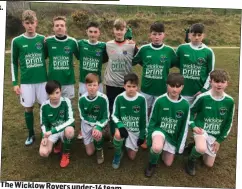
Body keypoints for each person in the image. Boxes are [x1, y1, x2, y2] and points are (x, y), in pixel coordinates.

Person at [132, 21, 177, 149]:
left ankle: (155, 137)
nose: (157, 37)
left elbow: (173, 63)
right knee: (144, 113)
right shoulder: (144, 49)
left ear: (164, 35)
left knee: (157, 115)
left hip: (162, 90)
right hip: (146, 89)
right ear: (150, 35)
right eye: (154, 34)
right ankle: (143, 136)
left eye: (159, 34)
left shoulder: (169, 51)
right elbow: (136, 60)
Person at [185, 69, 235, 176]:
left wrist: (219, 140)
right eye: (216, 81)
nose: (219, 84)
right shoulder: (203, 97)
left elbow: (229, 122)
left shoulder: (229, 101)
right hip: (201, 130)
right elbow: (190, 111)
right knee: (201, 148)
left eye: (222, 82)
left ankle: (194, 146)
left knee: (209, 164)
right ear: (211, 82)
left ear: (227, 83)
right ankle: (191, 160)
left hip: (215, 135)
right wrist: (193, 125)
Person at [11, 10, 48, 146]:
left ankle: (45, 132)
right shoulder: (17, 41)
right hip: (26, 82)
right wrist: (15, 82)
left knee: (43, 107)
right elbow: (13, 62)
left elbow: (45, 56)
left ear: (36, 23)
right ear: (23, 24)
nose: (30, 26)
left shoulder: (42, 39)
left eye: (32, 23)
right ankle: (31, 134)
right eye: (27, 23)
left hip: (42, 81)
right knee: (28, 108)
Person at [144, 73, 190, 177]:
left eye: (178, 86)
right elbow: (152, 120)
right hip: (159, 130)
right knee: (156, 147)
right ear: (167, 85)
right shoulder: (160, 100)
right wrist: (149, 138)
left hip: (172, 135)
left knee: (168, 163)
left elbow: (184, 128)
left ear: (182, 87)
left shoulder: (185, 105)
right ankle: (152, 163)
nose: (174, 89)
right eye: (172, 86)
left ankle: (161, 149)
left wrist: (180, 146)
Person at [103, 18, 138, 143]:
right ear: (113, 30)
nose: (119, 32)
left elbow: (139, 58)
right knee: (112, 109)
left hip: (126, 84)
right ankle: (113, 134)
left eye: (121, 29)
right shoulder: (107, 45)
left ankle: (125, 132)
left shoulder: (132, 45)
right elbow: (102, 59)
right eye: (117, 29)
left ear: (125, 30)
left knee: (124, 109)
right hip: (111, 83)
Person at [77, 21, 108, 140]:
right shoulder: (80, 44)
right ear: (86, 32)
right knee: (83, 105)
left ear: (99, 33)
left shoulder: (103, 46)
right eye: (90, 32)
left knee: (99, 105)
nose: (93, 34)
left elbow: (107, 56)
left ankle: (100, 127)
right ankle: (82, 128)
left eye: (95, 32)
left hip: (97, 83)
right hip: (83, 82)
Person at [111, 73, 147, 169]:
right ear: (124, 86)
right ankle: (118, 154)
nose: (131, 89)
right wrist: (120, 126)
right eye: (128, 86)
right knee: (118, 135)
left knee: (132, 157)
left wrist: (143, 135)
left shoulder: (141, 99)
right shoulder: (119, 98)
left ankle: (124, 144)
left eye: (134, 86)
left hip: (135, 130)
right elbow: (114, 115)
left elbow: (144, 118)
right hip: (123, 127)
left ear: (137, 87)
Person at [176, 23, 215, 105]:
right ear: (189, 35)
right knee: (184, 114)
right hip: (184, 91)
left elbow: (211, 73)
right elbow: (175, 63)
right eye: (194, 35)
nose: (196, 37)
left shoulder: (208, 51)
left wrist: (203, 90)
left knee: (199, 115)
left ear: (203, 36)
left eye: (199, 35)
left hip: (200, 91)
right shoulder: (181, 48)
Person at [39, 80, 75, 168]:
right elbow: (43, 124)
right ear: (48, 94)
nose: (55, 96)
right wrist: (45, 136)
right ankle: (58, 142)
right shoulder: (44, 106)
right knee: (43, 153)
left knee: (70, 131)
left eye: (57, 92)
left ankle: (65, 154)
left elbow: (71, 120)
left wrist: (53, 131)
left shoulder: (66, 101)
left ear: (61, 91)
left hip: (63, 130)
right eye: (51, 93)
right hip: (51, 132)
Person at [78, 73, 109, 164]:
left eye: (94, 85)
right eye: (89, 85)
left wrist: (98, 127)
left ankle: (100, 149)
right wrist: (92, 125)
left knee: (97, 134)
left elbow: (105, 116)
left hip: (98, 124)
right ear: (85, 86)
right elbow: (82, 116)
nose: (92, 87)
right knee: (90, 153)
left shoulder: (103, 98)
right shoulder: (82, 99)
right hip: (86, 126)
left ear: (98, 86)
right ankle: (97, 138)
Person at [45, 16, 79, 100]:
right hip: (53, 80)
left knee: (67, 104)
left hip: (68, 80)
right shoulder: (47, 41)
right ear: (53, 28)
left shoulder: (73, 42)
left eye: (62, 25)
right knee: (53, 104)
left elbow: (79, 56)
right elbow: (43, 56)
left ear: (65, 27)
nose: (59, 27)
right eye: (57, 25)